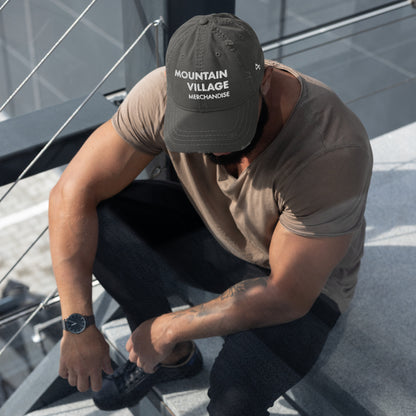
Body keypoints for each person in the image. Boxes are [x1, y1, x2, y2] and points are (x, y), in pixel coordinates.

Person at [49, 13, 373, 416]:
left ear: (265, 81)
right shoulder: (160, 94)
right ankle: (172, 359)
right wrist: (77, 322)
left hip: (298, 283)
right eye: (199, 129)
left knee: (232, 402)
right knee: (102, 212)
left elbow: (287, 295)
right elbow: (72, 192)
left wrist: (171, 325)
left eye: (227, 126)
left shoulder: (331, 150)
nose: (217, 149)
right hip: (221, 234)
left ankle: (164, 340)